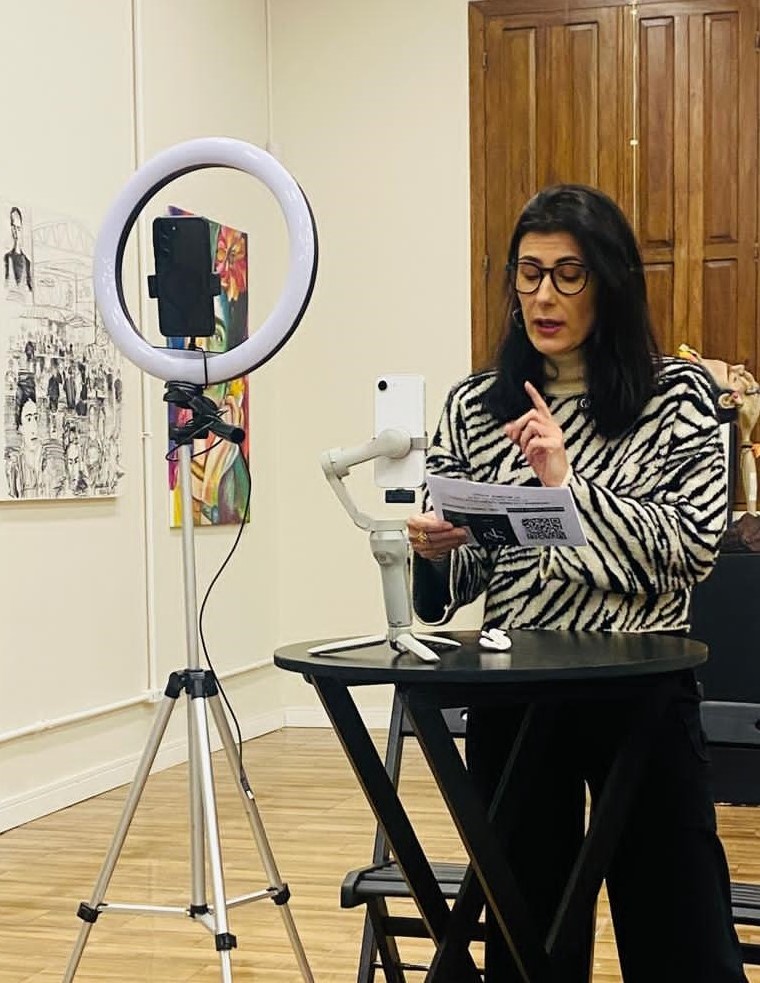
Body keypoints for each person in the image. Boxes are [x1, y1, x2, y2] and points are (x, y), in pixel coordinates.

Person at [407, 185, 747, 983]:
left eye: (568, 274)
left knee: (678, 930)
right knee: (528, 934)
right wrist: (436, 550)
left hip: (643, 687)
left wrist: (564, 487)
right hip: (516, 689)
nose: (543, 296)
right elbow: (468, 574)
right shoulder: (474, 405)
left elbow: (691, 546)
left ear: (611, 280)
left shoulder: (679, 398)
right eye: (529, 274)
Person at [4, 206, 32, 293]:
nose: (15, 231)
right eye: (13, 227)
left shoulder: (27, 262)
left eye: (18, 228)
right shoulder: (6, 258)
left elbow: (30, 289)